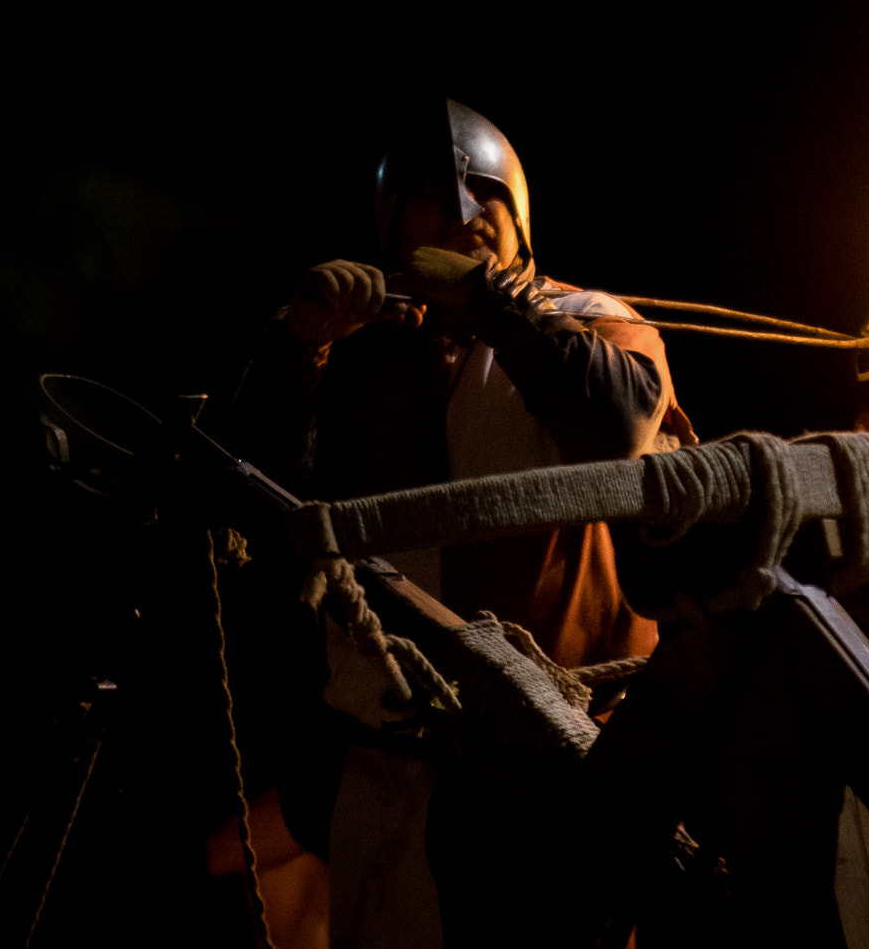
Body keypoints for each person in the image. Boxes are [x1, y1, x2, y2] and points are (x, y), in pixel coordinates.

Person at [206, 99, 694, 944]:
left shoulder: (590, 321)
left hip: (554, 762)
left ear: (521, 218)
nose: (466, 216)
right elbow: (252, 491)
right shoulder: (358, 353)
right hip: (389, 760)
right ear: (396, 225)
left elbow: (620, 428)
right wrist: (298, 344)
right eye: (436, 198)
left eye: (486, 195)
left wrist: (493, 309)